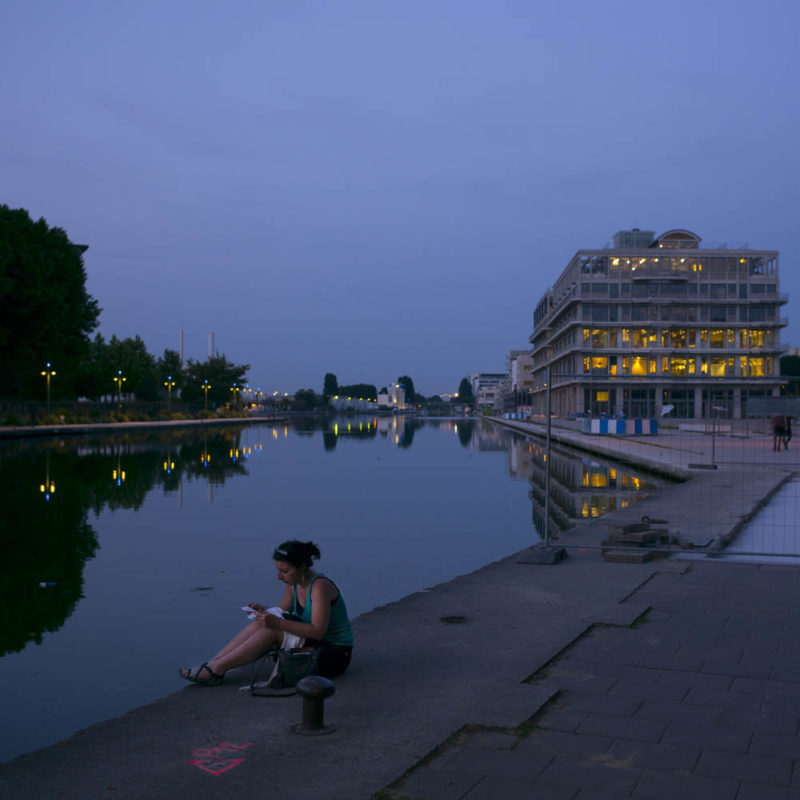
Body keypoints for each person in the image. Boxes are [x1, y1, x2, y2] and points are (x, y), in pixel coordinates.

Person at [179, 540, 353, 685]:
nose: (279, 577)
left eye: (284, 571)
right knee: (263, 622)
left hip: (335, 655)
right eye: (278, 571)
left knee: (273, 627)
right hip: (314, 647)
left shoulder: (319, 587)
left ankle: (217, 670)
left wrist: (276, 623)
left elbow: (317, 631)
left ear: (301, 567)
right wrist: (264, 611)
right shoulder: (293, 584)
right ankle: (212, 664)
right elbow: (281, 612)